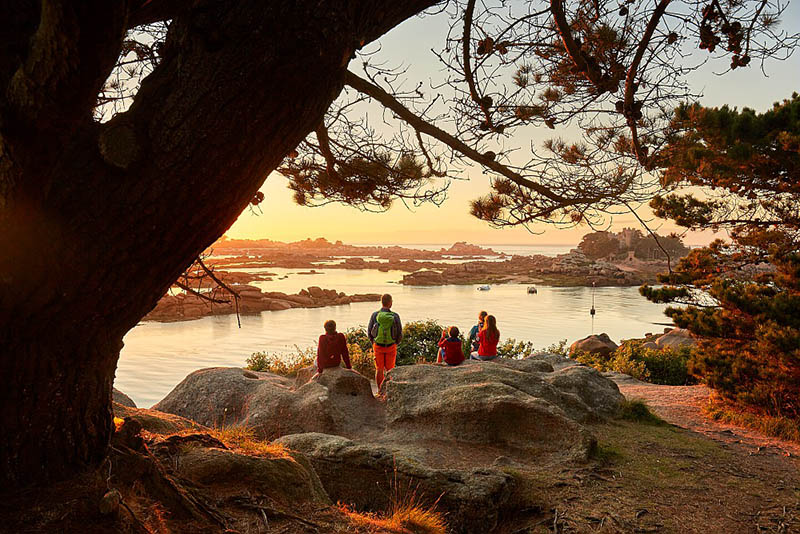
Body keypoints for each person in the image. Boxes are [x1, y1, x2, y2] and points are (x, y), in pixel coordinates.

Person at [367, 294, 403, 389]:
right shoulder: (395, 316)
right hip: (391, 346)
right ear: (390, 303)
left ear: (381, 302)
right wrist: (395, 343)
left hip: (378, 346)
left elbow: (369, 331)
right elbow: (400, 332)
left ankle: (380, 390)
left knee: (379, 369)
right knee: (390, 370)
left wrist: (374, 343)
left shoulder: (375, 315)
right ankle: (388, 391)